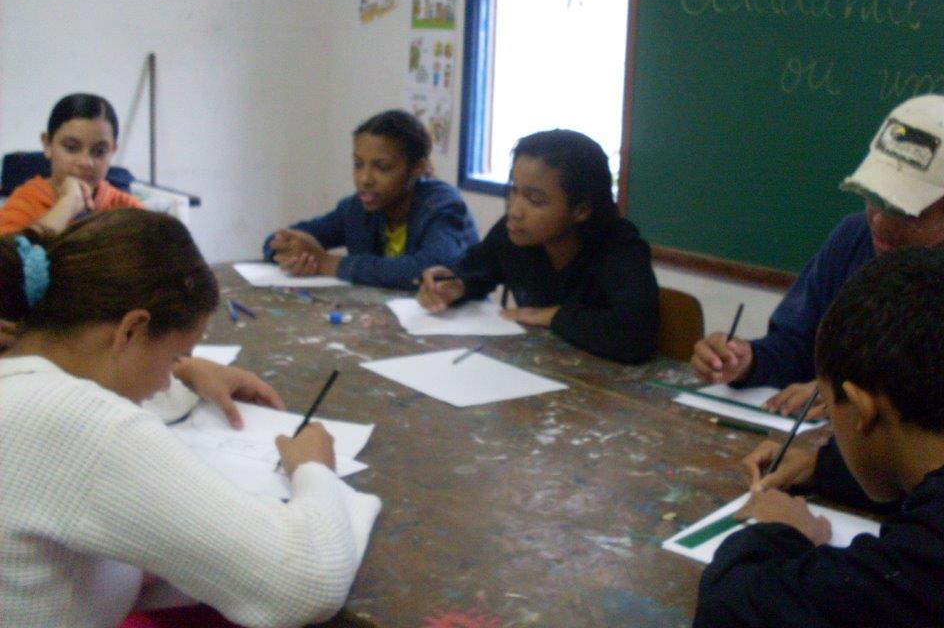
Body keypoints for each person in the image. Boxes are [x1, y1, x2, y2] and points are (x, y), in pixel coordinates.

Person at [0, 209, 380, 628]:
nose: (166, 382)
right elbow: (307, 583)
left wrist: (186, 371)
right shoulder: (84, 424)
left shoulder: (19, 366)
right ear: (131, 329)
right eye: (173, 357)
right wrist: (314, 469)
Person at [694, 247, 944, 628]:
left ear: (861, 409)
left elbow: (727, 606)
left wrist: (780, 532)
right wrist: (822, 466)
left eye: (831, 409)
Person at [691, 95, 944, 443]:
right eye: (874, 197)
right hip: (821, 451)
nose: (880, 222)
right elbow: (797, 346)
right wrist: (748, 361)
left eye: (905, 211)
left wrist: (846, 399)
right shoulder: (853, 239)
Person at [416, 129, 658, 364]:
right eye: (514, 191)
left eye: (535, 200)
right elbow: (478, 267)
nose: (515, 211)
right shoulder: (515, 233)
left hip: (599, 380)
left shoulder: (619, 247)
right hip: (537, 366)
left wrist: (552, 315)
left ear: (580, 210)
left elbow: (635, 335)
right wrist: (454, 284)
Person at [264, 109, 478, 290]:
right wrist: (290, 252)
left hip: (453, 323)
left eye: (382, 167)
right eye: (358, 165)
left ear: (417, 168)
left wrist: (328, 263)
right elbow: (281, 238)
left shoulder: (443, 206)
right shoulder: (356, 208)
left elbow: (429, 270)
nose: (364, 179)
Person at [0, 93, 143, 236]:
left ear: (112, 151)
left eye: (99, 151)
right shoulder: (25, 202)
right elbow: (11, 249)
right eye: (71, 148)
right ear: (48, 144)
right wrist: (65, 207)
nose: (86, 162)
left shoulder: (125, 208)